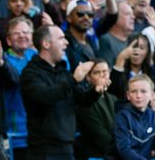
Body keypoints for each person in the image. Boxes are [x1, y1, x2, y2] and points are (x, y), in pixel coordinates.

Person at [20, 25, 108, 160]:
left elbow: (83, 100)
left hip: (67, 147)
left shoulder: (63, 72)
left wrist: (95, 91)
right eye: (61, 38)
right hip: (43, 151)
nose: (66, 42)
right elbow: (46, 96)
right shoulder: (30, 73)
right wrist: (73, 79)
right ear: (46, 44)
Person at [112, 75, 155, 160]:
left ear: (152, 95)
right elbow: (124, 149)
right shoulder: (122, 117)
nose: (138, 96)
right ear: (128, 95)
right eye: (134, 91)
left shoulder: (154, 117)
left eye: (143, 91)